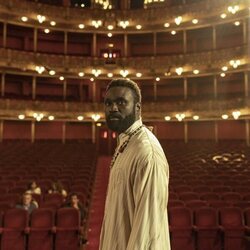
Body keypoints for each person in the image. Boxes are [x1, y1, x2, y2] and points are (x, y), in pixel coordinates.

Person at [99, 79, 170, 250]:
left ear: (138, 108)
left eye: (121, 102)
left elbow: (147, 233)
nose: (113, 108)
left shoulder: (146, 152)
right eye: (108, 103)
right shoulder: (127, 142)